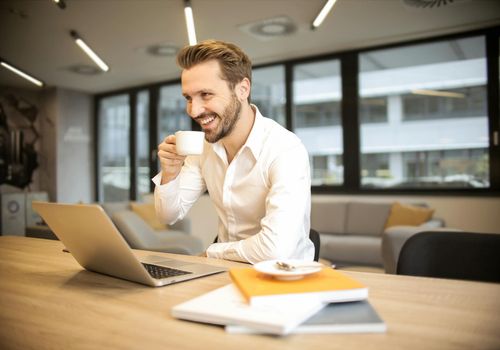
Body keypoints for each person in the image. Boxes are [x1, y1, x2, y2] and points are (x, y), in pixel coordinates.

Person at [152, 39, 314, 264]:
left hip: (283, 278)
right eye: (189, 98)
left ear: (242, 89)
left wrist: (213, 251)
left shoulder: (285, 149)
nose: (194, 110)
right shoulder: (205, 149)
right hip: (226, 273)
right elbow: (168, 215)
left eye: (206, 95)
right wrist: (170, 172)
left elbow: (276, 249)